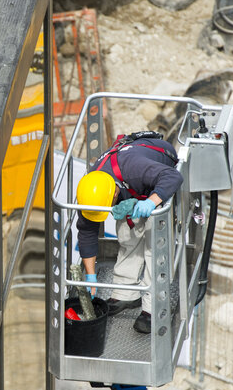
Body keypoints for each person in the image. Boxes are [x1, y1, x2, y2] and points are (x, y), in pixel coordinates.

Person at [75, 133, 183, 334]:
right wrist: (89, 276)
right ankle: (126, 292)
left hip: (157, 174)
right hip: (131, 185)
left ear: (115, 193)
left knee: (154, 242)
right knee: (127, 235)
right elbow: (87, 231)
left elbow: (173, 176)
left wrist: (151, 202)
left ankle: (153, 307)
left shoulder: (135, 169)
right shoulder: (91, 189)